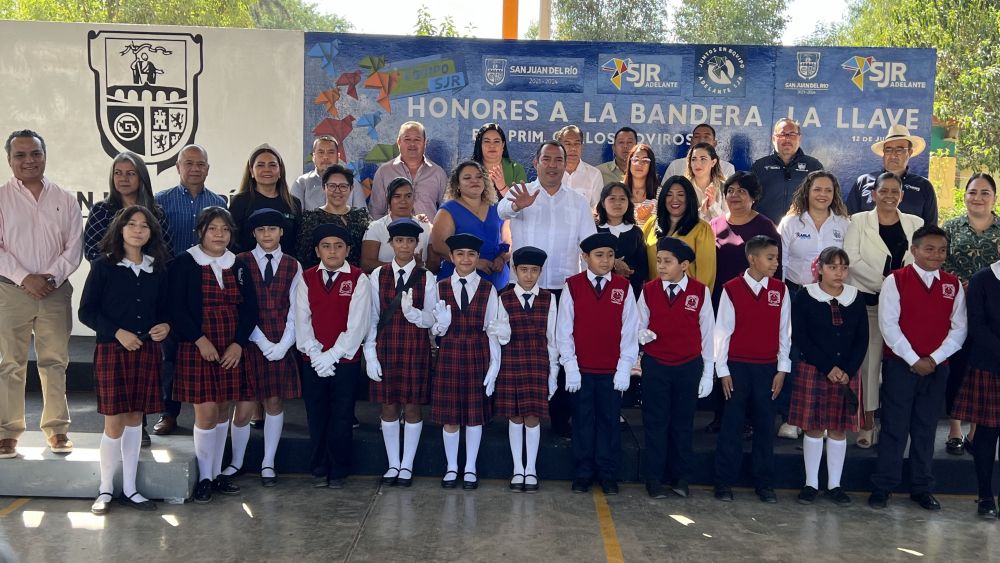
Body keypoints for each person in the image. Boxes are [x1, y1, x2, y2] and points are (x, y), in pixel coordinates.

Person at [500, 141, 597, 438]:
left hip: (564, 290)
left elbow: (588, 244)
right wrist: (518, 205)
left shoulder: (578, 201)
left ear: (565, 164)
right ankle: (517, 416)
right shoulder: (522, 192)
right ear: (536, 161)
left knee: (561, 353)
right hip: (524, 290)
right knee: (521, 354)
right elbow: (502, 209)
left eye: (559, 159)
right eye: (547, 159)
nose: (553, 165)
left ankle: (559, 418)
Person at [79, 205, 171, 513]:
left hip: (145, 351)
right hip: (113, 349)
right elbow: (87, 312)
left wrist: (165, 325)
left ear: (151, 233)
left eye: (144, 226)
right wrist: (117, 332)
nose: (138, 230)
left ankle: (131, 489)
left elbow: (164, 309)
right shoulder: (103, 266)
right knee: (114, 422)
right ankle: (105, 489)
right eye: (131, 224)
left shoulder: (157, 267)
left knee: (135, 418)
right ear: (120, 229)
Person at [869, 225, 967, 511]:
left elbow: (959, 329)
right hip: (901, 365)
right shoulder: (896, 280)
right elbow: (888, 325)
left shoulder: (953, 284)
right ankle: (883, 486)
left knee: (926, 429)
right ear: (914, 250)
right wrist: (914, 359)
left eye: (942, 250)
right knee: (894, 427)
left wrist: (933, 360)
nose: (936, 255)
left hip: (938, 367)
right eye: (929, 249)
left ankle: (921, 487)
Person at [0, 129, 82, 459]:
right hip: (10, 291)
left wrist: (49, 277)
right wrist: (25, 278)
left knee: (55, 362)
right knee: (10, 364)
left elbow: (73, 247)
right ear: (9, 161)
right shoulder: (1, 198)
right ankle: (7, 433)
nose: (28, 160)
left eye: (34, 153)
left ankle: (58, 429)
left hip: (54, 291)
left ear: (45, 156)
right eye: (20, 155)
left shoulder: (65, 198)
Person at [168, 207, 257, 503]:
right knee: (205, 413)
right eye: (213, 229)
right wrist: (199, 339)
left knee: (223, 411)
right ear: (201, 232)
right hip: (199, 347)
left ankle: (217, 473)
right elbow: (176, 308)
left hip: (231, 346)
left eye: (225, 229)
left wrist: (238, 344)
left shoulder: (239, 264)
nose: (219, 235)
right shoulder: (185, 263)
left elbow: (250, 310)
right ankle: (204, 477)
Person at [843, 172, 923, 448]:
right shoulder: (858, 220)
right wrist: (889, 286)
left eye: (895, 191)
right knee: (869, 365)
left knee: (902, 367)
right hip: (869, 305)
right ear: (873, 194)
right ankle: (866, 424)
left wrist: (900, 290)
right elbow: (852, 260)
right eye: (884, 191)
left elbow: (920, 260)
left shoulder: (916, 223)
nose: (889, 195)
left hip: (907, 309)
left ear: (902, 195)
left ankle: (898, 425)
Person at [153, 144, 226, 437]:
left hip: (208, 286)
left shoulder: (219, 202)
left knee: (204, 346)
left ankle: (210, 412)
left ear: (208, 168)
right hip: (172, 285)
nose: (195, 169)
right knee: (170, 351)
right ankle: (168, 412)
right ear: (178, 167)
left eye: (201, 164)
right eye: (189, 163)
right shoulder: (161, 202)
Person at [558, 232, 639, 495]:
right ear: (585, 257)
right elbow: (564, 330)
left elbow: (630, 330)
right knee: (582, 421)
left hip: (611, 371)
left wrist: (625, 366)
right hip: (581, 371)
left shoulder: (623, 287)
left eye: (610, 255)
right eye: (599, 255)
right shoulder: (573, 285)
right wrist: (570, 366)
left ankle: (607, 473)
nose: (605, 261)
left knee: (608, 422)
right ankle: (582, 472)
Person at [226, 209, 302, 487]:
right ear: (253, 233)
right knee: (244, 408)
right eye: (260, 230)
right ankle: (236, 461)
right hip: (249, 344)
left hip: (281, 343)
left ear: (281, 232)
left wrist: (283, 345)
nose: (267, 234)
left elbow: (297, 310)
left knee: (273, 402)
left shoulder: (294, 265)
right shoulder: (240, 262)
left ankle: (268, 462)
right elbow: (238, 307)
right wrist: (259, 339)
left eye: (272, 229)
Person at [788, 247, 868, 507]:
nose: (839, 273)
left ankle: (835, 485)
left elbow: (861, 339)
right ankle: (811, 483)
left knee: (837, 428)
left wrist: (848, 369)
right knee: (813, 426)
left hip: (846, 374)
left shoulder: (855, 298)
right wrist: (827, 367)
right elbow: (801, 336)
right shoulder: (805, 296)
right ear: (820, 268)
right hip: (814, 370)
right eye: (833, 267)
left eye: (843, 267)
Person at [713, 235, 790, 503]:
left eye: (777, 258)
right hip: (736, 369)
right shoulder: (732, 288)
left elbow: (785, 332)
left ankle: (764, 482)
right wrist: (722, 370)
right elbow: (722, 331)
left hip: (767, 369)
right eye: (770, 258)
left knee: (765, 426)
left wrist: (782, 368)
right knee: (731, 426)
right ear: (752, 258)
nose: (775, 263)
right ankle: (724, 482)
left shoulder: (780, 290)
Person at [295, 223, 372, 488]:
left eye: (338, 246)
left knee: (341, 416)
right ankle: (318, 468)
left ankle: (339, 470)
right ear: (317, 250)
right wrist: (316, 354)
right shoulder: (306, 278)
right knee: (316, 415)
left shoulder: (358, 278)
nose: (332, 251)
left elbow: (358, 324)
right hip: (313, 361)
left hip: (345, 362)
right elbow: (301, 320)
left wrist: (334, 355)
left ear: (348, 250)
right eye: (326, 246)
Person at [637, 237, 714, 499]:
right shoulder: (648, 290)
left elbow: (707, 333)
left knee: (682, 423)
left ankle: (681, 477)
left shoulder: (700, 291)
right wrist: (642, 335)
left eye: (667, 262)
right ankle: (654, 478)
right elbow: (638, 324)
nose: (661, 266)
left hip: (687, 365)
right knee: (655, 423)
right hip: (656, 365)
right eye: (658, 261)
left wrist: (707, 373)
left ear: (684, 265)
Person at [364, 218, 438, 488]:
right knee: (388, 405)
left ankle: (407, 464)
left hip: (415, 346)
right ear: (391, 243)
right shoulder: (378, 275)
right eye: (399, 240)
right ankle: (392, 462)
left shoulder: (427, 277)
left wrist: (414, 314)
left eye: (410, 240)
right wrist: (370, 353)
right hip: (386, 347)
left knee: (412, 405)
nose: (404, 245)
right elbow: (371, 317)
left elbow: (432, 319)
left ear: (417, 244)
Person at [707, 173, 782, 433]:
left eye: (741, 191)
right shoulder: (713, 225)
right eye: (730, 191)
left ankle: (749, 420)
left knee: (746, 362)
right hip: (719, 302)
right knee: (721, 355)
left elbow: (775, 269)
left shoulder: (765, 227)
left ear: (753, 197)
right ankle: (720, 416)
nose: (735, 196)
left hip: (754, 306)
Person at [430, 233, 502, 490]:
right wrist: (440, 327)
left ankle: (470, 467)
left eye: (471, 254)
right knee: (450, 417)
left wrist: (495, 365)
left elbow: (493, 329)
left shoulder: (488, 289)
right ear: (451, 257)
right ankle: (452, 467)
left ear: (477, 258)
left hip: (477, 352)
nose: (465, 259)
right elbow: (432, 328)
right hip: (449, 352)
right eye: (460, 254)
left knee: (474, 416)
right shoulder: (439, 286)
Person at [941, 173, 999, 454]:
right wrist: (962, 283)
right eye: (973, 192)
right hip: (957, 306)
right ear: (964, 195)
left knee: (983, 369)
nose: (978, 197)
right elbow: (940, 260)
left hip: (993, 313)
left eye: (985, 193)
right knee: (958, 366)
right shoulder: (951, 227)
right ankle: (955, 429)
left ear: (994, 198)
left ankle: (976, 431)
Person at [493, 246, 559, 493]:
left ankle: (530, 468)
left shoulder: (549, 298)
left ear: (541, 271)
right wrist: (495, 369)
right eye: (523, 270)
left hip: (537, 363)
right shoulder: (503, 298)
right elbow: (496, 339)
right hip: (511, 362)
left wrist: (553, 373)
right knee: (515, 416)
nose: (529, 276)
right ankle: (517, 467)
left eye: (534, 271)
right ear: (514, 271)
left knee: (532, 416)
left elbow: (552, 339)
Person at [951, 244, 1000, 518]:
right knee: (987, 434)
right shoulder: (983, 279)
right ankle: (985, 496)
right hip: (989, 365)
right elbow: (977, 326)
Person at [431, 160, 511, 289]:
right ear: (457, 185)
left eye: (479, 177)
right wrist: (474, 262)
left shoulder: (499, 208)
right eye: (467, 178)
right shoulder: (448, 210)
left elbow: (509, 241)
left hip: (495, 280)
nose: (475, 181)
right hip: (459, 281)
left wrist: (502, 259)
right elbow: (439, 246)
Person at [84, 151, 170, 262]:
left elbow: (167, 252)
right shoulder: (101, 211)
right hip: (110, 277)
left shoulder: (157, 213)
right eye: (118, 173)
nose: (123, 178)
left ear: (141, 177)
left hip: (149, 276)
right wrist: (124, 270)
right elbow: (91, 252)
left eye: (130, 173)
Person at [846, 124, 938, 226]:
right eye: (888, 150)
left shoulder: (924, 186)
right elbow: (850, 221)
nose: (893, 155)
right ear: (883, 153)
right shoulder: (863, 182)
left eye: (899, 150)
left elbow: (930, 228)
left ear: (910, 152)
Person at [778, 171, 850, 295]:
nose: (823, 194)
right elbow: (781, 262)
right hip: (795, 293)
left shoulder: (844, 224)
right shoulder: (790, 223)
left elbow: (848, 263)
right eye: (817, 189)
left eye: (828, 190)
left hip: (831, 294)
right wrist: (781, 293)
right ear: (807, 192)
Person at [641, 175, 716, 290]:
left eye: (681, 195)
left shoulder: (702, 229)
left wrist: (696, 301)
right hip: (654, 297)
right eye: (669, 195)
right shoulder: (651, 224)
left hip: (687, 300)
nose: (674, 200)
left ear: (689, 198)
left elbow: (706, 274)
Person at [229, 144, 302, 255]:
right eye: (260, 165)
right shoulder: (240, 202)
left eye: (272, 165)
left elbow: (298, 243)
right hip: (248, 268)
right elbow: (232, 242)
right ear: (251, 171)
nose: (267, 170)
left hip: (286, 269)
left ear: (280, 170)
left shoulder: (294, 203)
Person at [298, 164, 372, 270]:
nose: (337, 191)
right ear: (324, 188)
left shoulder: (361, 217)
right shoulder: (311, 219)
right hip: (322, 280)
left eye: (343, 186)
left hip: (357, 280)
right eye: (332, 186)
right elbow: (304, 258)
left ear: (351, 188)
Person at [369, 121, 449, 219]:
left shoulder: (438, 173)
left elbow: (447, 212)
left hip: (427, 233)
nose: (412, 144)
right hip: (392, 233)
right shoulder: (384, 172)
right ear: (398, 142)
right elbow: (376, 212)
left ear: (425, 143)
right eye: (407, 139)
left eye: (417, 139)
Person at [751, 118, 824, 224]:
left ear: (799, 138)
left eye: (792, 134)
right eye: (782, 134)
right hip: (765, 232)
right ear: (773, 139)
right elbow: (747, 201)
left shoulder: (814, 167)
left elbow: (822, 201)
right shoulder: (759, 166)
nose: (787, 139)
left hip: (803, 232)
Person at [361, 177, 434, 274]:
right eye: (397, 196)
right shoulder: (375, 227)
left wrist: (420, 266)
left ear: (414, 198)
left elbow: (435, 264)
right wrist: (404, 265)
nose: (403, 201)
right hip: (383, 283)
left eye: (408, 196)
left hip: (419, 284)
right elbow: (366, 265)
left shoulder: (426, 227)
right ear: (388, 199)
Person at [596, 182, 647, 298]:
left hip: (629, 295)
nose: (617, 203)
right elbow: (587, 260)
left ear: (629, 203)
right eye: (612, 199)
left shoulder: (636, 232)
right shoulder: (594, 230)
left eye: (622, 199)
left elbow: (643, 268)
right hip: (598, 293)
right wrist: (613, 264)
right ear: (603, 203)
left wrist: (628, 271)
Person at [291, 135, 367, 212]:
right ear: (313, 157)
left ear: (338, 157)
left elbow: (362, 216)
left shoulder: (353, 183)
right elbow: (295, 217)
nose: (325, 157)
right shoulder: (301, 183)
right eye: (321, 152)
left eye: (331, 152)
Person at [471, 123, 527, 197]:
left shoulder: (516, 169)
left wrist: (502, 187)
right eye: (487, 141)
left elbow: (521, 203)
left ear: (503, 145)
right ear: (480, 145)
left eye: (496, 141)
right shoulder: (469, 169)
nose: (492, 145)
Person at [555, 125, 604, 208]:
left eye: (577, 144)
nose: (573, 148)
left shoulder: (594, 174)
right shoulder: (551, 172)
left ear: (582, 146)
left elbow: (597, 209)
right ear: (559, 147)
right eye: (568, 144)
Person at [665, 123, 736, 179]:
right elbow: (664, 193)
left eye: (706, 137)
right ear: (691, 141)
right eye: (697, 137)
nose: (701, 140)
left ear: (714, 143)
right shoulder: (675, 165)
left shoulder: (727, 168)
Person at [684, 142, 727, 221]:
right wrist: (702, 211)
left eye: (703, 159)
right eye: (693, 159)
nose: (697, 163)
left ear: (713, 162)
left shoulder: (724, 187)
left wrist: (713, 205)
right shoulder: (683, 187)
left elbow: (728, 222)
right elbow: (681, 223)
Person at [623, 143, 658, 225]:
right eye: (635, 160)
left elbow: (665, 226)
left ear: (651, 165)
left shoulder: (660, 193)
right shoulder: (618, 190)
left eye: (645, 161)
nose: (639, 164)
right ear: (629, 163)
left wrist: (648, 219)